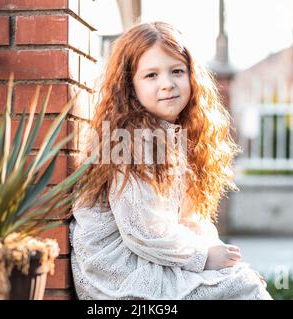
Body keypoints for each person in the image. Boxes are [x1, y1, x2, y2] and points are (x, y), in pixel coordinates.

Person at [69, 21, 272, 300]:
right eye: (151, 75)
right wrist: (205, 257)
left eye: (177, 71)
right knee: (245, 289)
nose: (167, 84)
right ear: (130, 87)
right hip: (119, 272)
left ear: (192, 77)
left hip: (150, 255)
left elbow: (190, 219)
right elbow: (143, 231)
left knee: (243, 281)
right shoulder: (130, 140)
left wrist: (221, 258)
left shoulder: (174, 136)